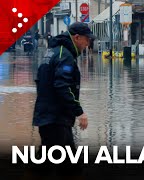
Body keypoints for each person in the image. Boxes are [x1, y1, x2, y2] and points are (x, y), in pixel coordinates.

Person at [32, 22, 95, 172]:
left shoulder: (54, 51)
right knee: (48, 166)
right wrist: (79, 112)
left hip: (53, 118)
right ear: (77, 37)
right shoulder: (64, 56)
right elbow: (62, 86)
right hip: (55, 120)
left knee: (67, 165)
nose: (88, 43)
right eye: (87, 39)